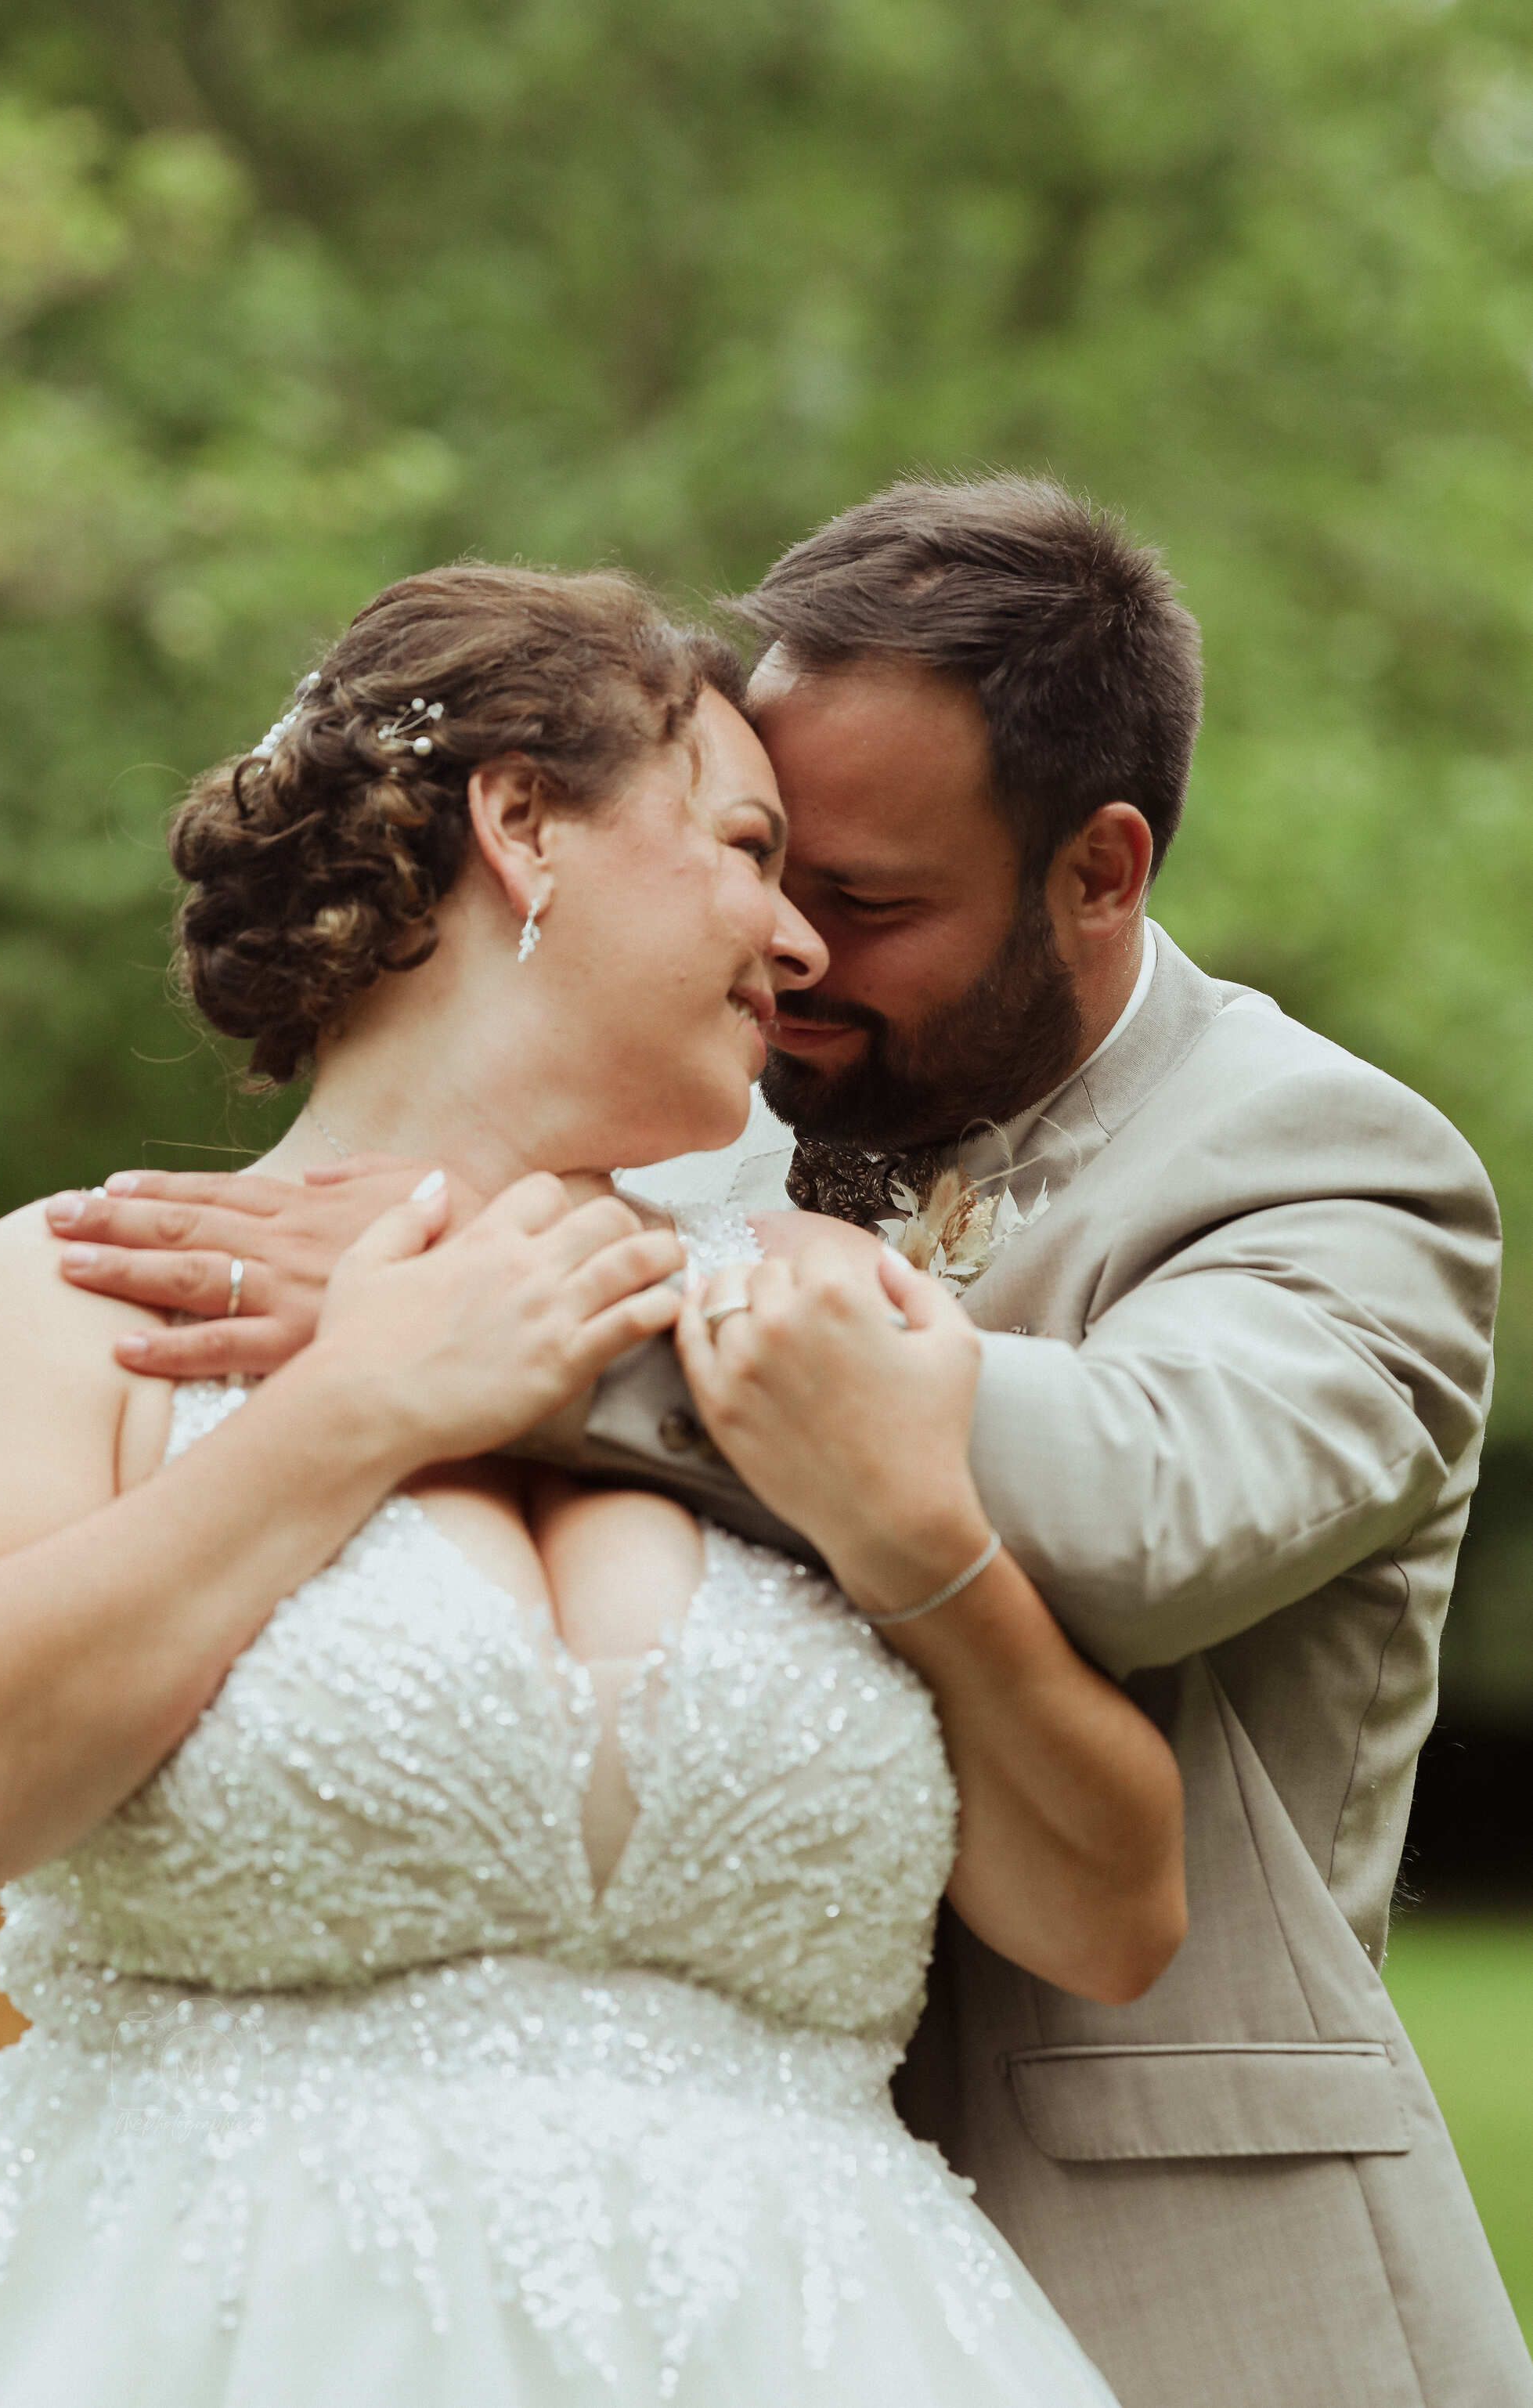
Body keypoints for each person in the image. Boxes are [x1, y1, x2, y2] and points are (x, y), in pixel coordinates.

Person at [76, 482, 1533, 2408]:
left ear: (1099, 868)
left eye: (863, 903)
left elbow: (1143, 1506)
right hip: (670, 2262)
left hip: (1161, 2261)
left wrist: (544, 1329)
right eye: (761, 866)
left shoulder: (1338, 1168)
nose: (783, 949)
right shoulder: (702, 1118)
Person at [0, 561, 1188, 2406]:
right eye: (746, 847)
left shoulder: (825, 1314)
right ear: (520, 823)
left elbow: (1109, 1917)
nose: (801, 941)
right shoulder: (90, 1283)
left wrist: (912, 1537)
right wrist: (345, 1410)